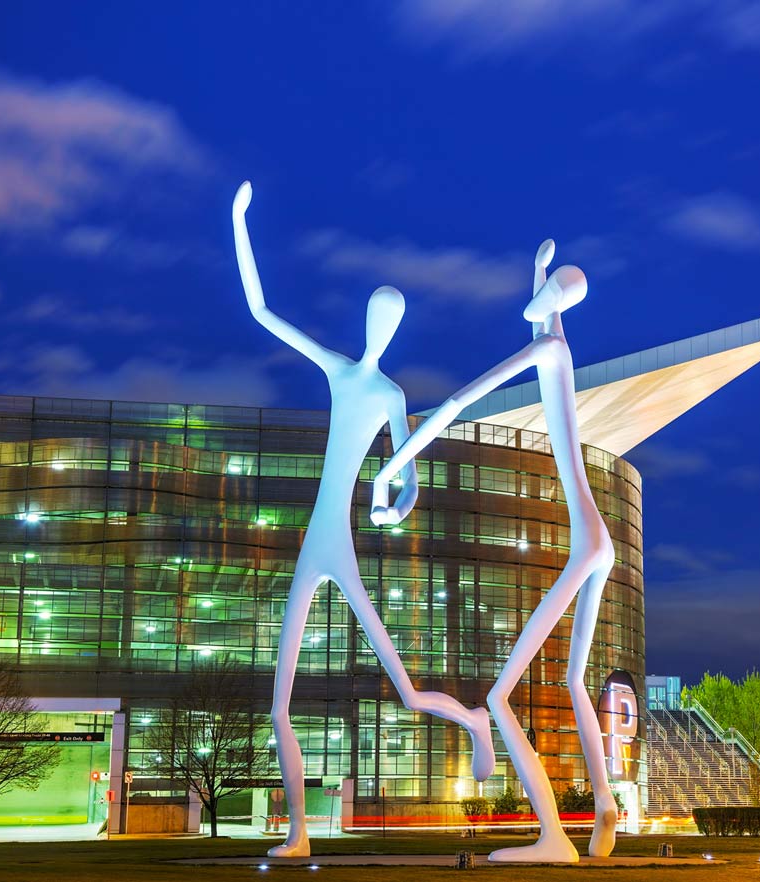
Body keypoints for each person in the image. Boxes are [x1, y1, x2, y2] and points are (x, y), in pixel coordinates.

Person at [233, 182, 494, 858]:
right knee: (278, 703)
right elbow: (261, 310)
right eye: (377, 314)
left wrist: (391, 504)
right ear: (365, 319)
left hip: (341, 546)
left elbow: (405, 478)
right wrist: (240, 223)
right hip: (312, 543)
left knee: (404, 689)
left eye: (392, 319)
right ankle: (296, 835)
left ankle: (470, 720)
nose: (382, 327)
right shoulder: (339, 370)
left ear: (397, 329)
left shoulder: (390, 395)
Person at [372, 239, 617, 862]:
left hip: (588, 542)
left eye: (544, 295)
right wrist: (539, 274)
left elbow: (460, 401)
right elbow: (547, 306)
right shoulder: (560, 337)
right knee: (573, 681)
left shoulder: (548, 347)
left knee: (502, 696)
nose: (536, 304)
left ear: (552, 304)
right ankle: (607, 808)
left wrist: (394, 466)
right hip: (601, 539)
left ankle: (554, 839)